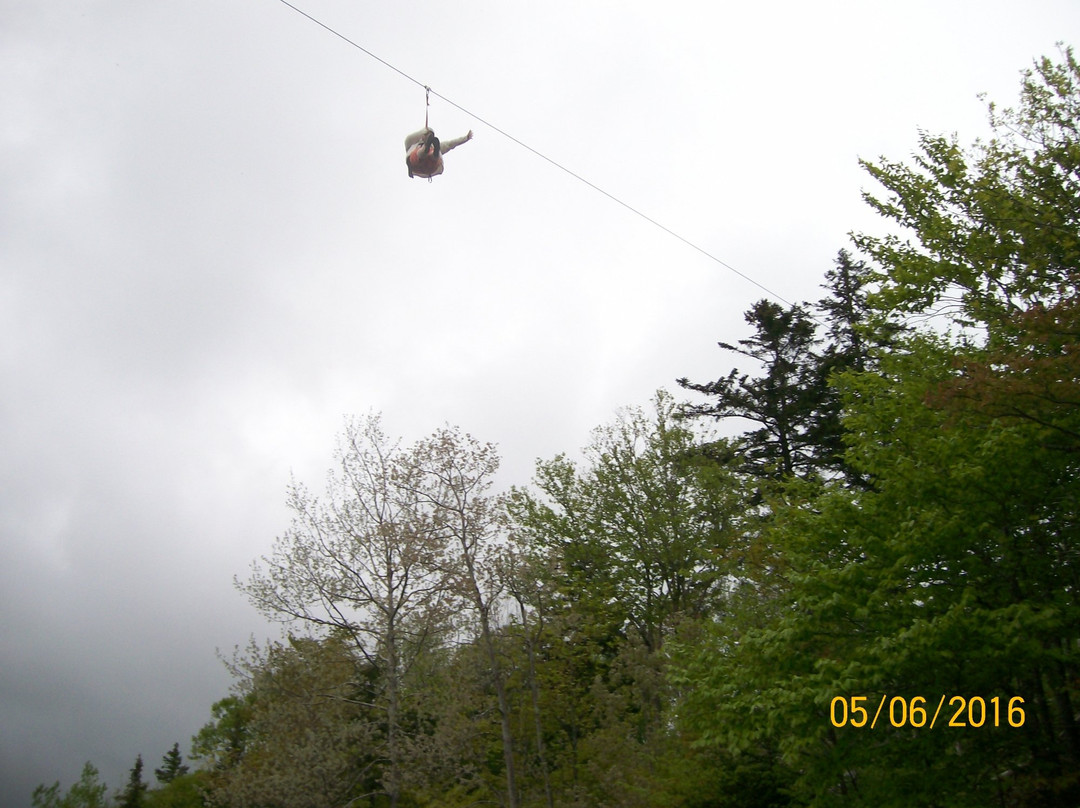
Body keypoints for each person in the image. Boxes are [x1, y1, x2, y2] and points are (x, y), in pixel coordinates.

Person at [405, 127, 473, 178]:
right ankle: (427, 150)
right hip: (418, 165)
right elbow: (409, 139)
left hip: (430, 167)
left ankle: (433, 153)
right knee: (419, 153)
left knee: (429, 154)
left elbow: (451, 144)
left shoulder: (435, 146)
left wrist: (466, 138)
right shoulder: (412, 145)